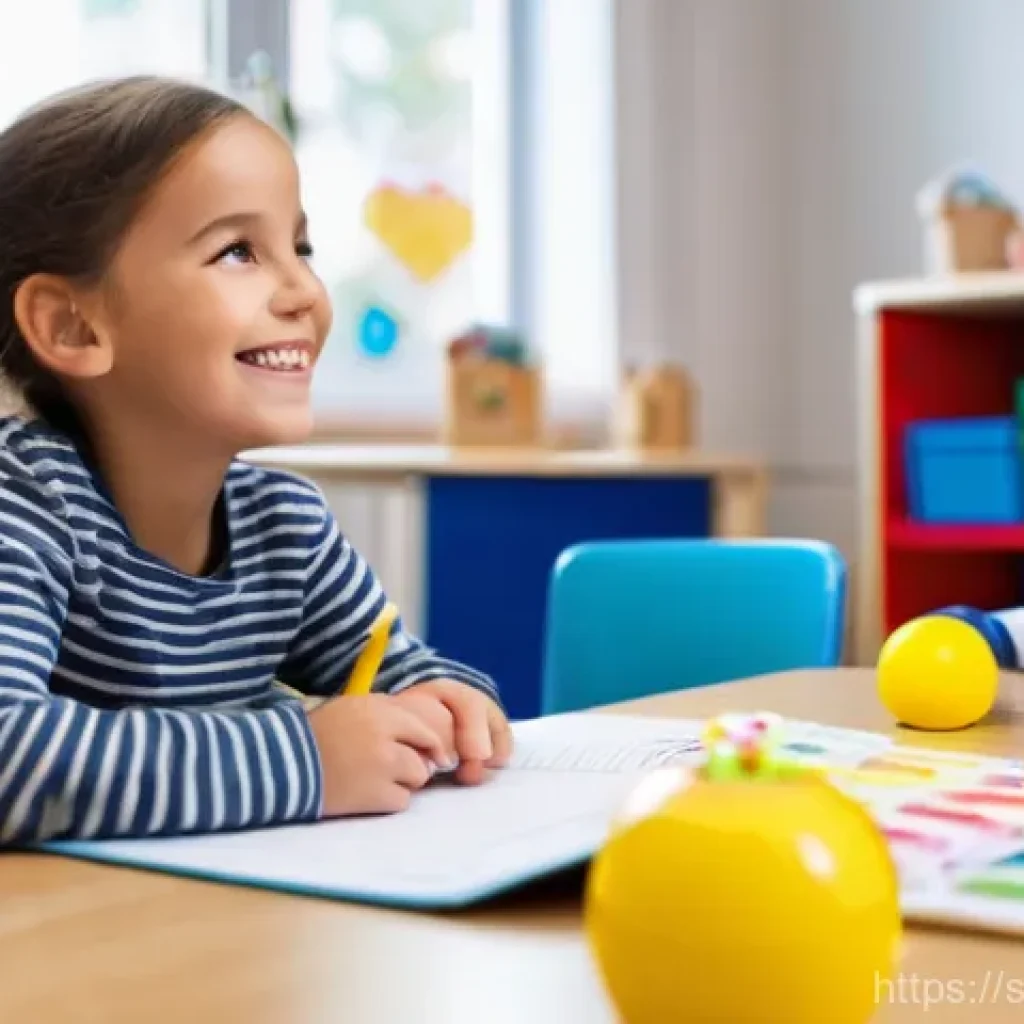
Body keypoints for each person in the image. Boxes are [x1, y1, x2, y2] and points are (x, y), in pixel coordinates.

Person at [0, 76, 511, 844]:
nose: (304, 289)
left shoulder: (287, 526)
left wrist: (446, 700)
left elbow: (399, 666)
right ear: (72, 325)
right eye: (238, 251)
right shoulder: (25, 505)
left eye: (299, 247)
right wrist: (308, 760)